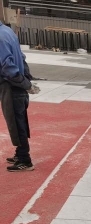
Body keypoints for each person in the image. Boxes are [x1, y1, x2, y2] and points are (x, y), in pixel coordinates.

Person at [0, 21, 38, 172]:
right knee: (20, 120)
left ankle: (24, 160)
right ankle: (20, 153)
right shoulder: (7, 31)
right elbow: (21, 57)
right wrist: (27, 79)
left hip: (12, 86)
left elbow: (7, 66)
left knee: (16, 123)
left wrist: (24, 83)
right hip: (17, 85)